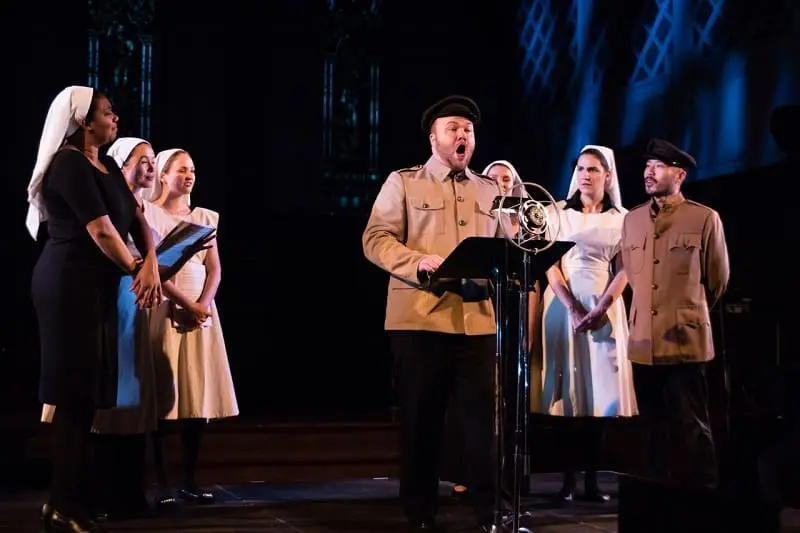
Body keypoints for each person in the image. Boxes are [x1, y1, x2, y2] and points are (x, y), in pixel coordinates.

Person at [363, 95, 505, 532]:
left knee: (482, 423)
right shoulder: (404, 182)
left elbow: (508, 244)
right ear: (433, 137)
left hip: (476, 319)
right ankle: (420, 512)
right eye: (453, 128)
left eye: (469, 130)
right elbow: (376, 238)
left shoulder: (490, 189)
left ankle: (491, 513)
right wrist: (416, 262)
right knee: (422, 421)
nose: (462, 136)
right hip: (421, 319)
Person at [27, 86, 162, 531]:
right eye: (108, 113)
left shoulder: (102, 167)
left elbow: (136, 217)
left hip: (101, 285)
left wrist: (150, 266)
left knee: (87, 396)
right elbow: (103, 231)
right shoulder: (68, 165)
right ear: (85, 120)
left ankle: (64, 500)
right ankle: (63, 501)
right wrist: (138, 268)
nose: (115, 119)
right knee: (72, 394)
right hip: (69, 284)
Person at [619, 138, 729, 528]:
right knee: (650, 429)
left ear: (679, 175)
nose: (649, 172)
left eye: (659, 166)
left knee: (690, 427)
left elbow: (717, 281)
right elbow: (632, 277)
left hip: (684, 340)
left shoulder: (704, 218)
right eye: (647, 165)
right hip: (644, 342)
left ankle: (700, 505)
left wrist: (686, 313)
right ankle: (657, 505)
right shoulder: (631, 219)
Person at [537, 145, 637, 503]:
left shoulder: (621, 218)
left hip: (603, 303)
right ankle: (566, 480)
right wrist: (573, 307)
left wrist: (601, 308)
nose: (585, 175)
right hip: (564, 304)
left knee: (599, 397)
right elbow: (549, 265)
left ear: (607, 176)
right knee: (568, 395)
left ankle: (593, 481)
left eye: (593, 169)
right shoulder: (557, 214)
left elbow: (625, 267)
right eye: (580, 168)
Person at [146, 148, 239, 507]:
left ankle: (189, 479)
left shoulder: (203, 217)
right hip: (166, 305)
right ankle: (161, 482)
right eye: (181, 170)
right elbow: (153, 267)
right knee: (163, 399)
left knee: (195, 396)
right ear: (163, 174)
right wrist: (185, 304)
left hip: (201, 310)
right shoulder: (149, 213)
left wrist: (203, 304)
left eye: (193, 171)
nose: (189, 176)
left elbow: (214, 267)